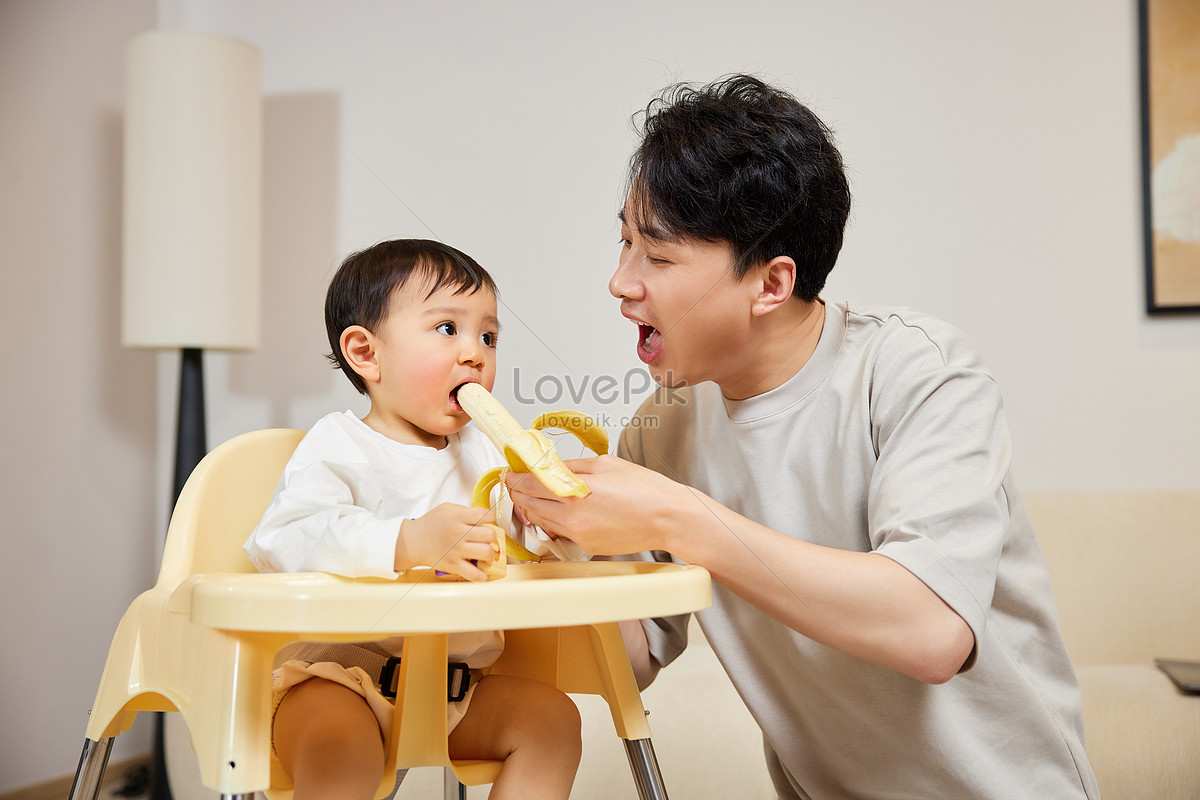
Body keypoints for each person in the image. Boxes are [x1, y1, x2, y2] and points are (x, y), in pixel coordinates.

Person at [505, 76, 1101, 799]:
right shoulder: (665, 429)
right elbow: (625, 659)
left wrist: (678, 516)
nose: (619, 282)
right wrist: (544, 555)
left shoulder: (916, 372)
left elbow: (931, 630)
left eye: (656, 257)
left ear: (771, 283)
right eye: (625, 243)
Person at [244, 238, 581, 800]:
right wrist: (407, 542)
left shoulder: (486, 455)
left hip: (455, 688)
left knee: (553, 723)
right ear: (366, 353)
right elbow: (285, 540)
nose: (475, 352)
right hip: (337, 674)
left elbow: (533, 553)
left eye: (489, 336)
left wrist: (551, 521)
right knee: (342, 753)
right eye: (448, 328)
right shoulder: (339, 445)